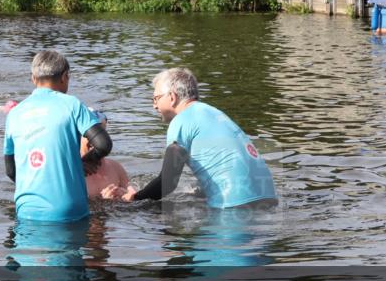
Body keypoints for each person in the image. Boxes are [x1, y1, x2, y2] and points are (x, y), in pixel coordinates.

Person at [117, 67, 277, 208]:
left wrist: (135, 198)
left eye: (156, 98)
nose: (154, 106)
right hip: (269, 199)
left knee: (170, 239)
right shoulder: (214, 113)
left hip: (234, 206)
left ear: (172, 97)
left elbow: (167, 183)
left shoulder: (180, 121)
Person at [4, 51, 112, 222]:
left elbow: (10, 170)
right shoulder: (72, 105)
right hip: (68, 212)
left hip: (26, 211)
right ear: (65, 77)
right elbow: (103, 144)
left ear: (33, 78)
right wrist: (84, 162)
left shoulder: (14, 114)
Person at [82, 111, 134, 200]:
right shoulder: (70, 171)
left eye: (101, 133)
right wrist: (105, 203)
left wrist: (123, 195)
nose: (96, 140)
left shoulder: (115, 167)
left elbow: (132, 193)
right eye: (90, 134)